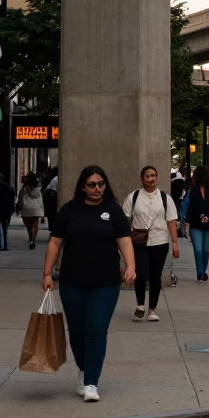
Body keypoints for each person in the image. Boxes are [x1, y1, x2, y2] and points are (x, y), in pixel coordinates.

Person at [42, 165, 134, 402]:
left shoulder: (113, 211)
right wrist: (46, 273)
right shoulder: (69, 211)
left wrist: (131, 266)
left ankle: (92, 382)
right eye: (92, 185)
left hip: (106, 282)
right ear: (83, 186)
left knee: (95, 328)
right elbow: (55, 242)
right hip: (73, 281)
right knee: (76, 331)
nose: (97, 189)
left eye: (101, 184)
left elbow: (124, 241)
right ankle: (83, 370)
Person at [122, 165, 179, 322]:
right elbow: (124, 218)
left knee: (155, 276)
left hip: (159, 241)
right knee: (140, 274)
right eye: (148, 176)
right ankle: (140, 305)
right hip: (139, 241)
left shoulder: (165, 198)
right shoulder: (133, 197)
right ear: (142, 178)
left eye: (154, 175)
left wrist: (175, 243)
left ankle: (152, 309)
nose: (151, 179)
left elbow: (171, 220)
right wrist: (127, 233)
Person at [186, 165, 209, 281]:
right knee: (198, 249)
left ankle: (203, 271)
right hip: (196, 224)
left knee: (206, 250)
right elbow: (186, 206)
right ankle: (200, 272)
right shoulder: (193, 190)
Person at [17, 172, 44, 249]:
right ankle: (33, 240)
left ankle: (30, 237)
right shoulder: (38, 189)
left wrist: (20, 207)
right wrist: (43, 210)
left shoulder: (24, 188)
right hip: (36, 209)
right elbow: (41, 200)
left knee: (29, 226)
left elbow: (20, 198)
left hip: (26, 209)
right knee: (35, 225)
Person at [42, 167, 59, 236]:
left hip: (49, 197)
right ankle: (52, 230)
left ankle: (51, 229)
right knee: (53, 214)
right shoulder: (56, 178)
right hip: (52, 196)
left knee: (51, 215)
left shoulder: (50, 178)